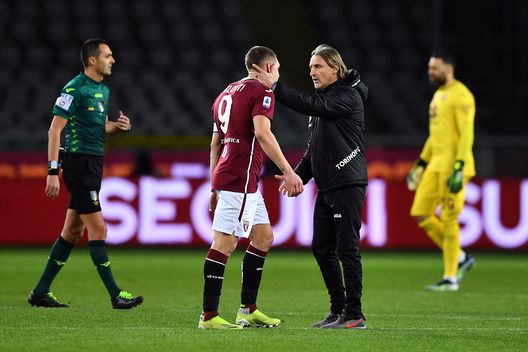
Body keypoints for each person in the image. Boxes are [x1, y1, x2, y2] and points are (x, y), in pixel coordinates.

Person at [253, 44, 368, 329]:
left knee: (347, 249)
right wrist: (295, 175)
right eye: (310, 68)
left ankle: (354, 314)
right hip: (328, 186)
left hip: (346, 183)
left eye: (318, 67)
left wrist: (276, 87)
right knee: (322, 248)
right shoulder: (324, 102)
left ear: (335, 68)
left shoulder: (347, 96)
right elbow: (312, 152)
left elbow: (313, 105)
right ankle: (338, 310)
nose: (312, 72)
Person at [28, 38, 143, 309]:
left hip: (95, 164)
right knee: (98, 228)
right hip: (78, 165)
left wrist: (118, 126)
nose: (112, 60)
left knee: (72, 231)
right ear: (92, 60)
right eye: (108, 55)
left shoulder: (103, 90)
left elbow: (100, 127)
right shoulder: (74, 88)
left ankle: (40, 292)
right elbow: (55, 130)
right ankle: (116, 295)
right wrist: (53, 171)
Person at [199, 46, 304, 329]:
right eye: (278, 69)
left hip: (235, 177)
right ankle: (208, 316)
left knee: (263, 237)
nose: (277, 75)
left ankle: (247, 309)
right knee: (225, 243)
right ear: (268, 68)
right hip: (240, 179)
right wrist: (288, 170)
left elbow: (215, 145)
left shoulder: (225, 93)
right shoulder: (262, 91)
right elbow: (262, 132)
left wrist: (213, 185)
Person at [407, 52, 476, 292]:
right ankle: (461, 257)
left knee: (449, 219)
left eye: (434, 68)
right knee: (420, 213)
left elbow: (467, 134)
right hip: (435, 164)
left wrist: (459, 165)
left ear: (448, 68)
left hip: (453, 167)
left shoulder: (462, 96)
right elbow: (435, 135)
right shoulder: (438, 95)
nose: (430, 72)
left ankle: (451, 278)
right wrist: (421, 163)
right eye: (429, 68)